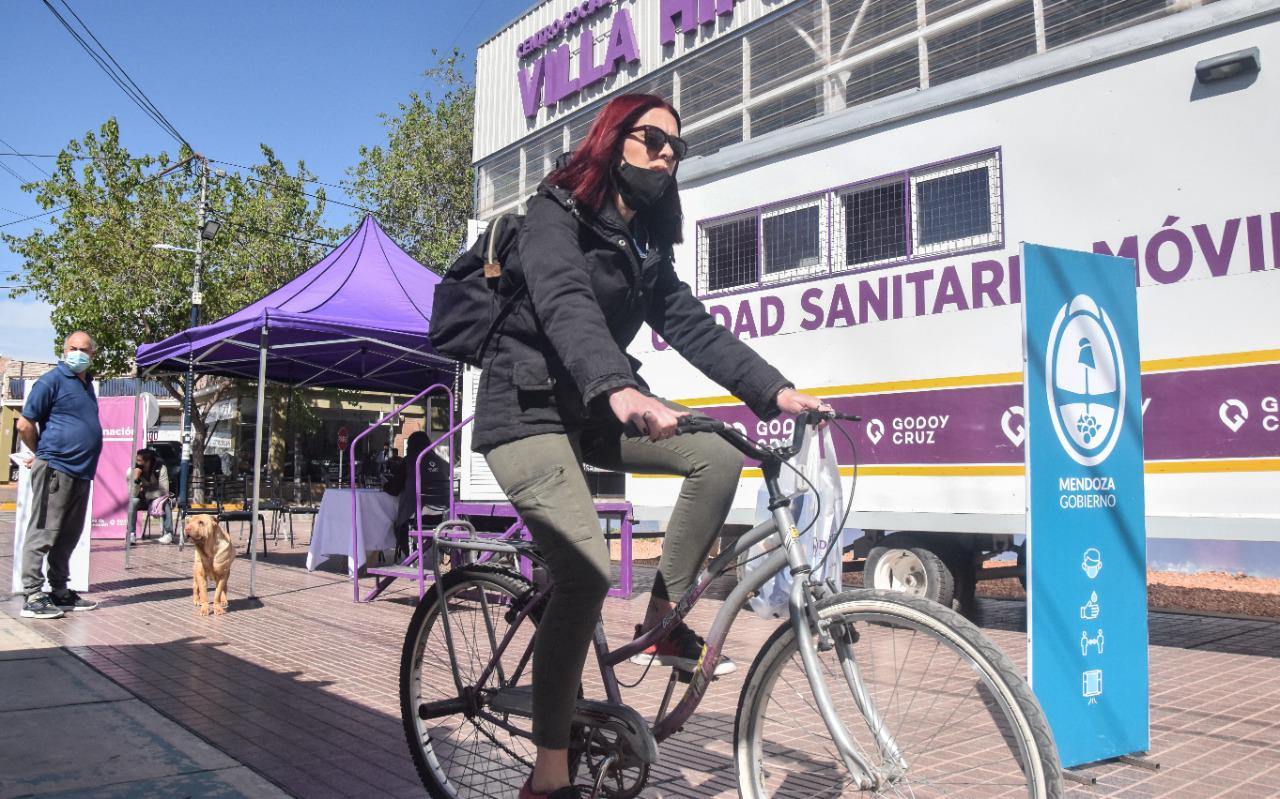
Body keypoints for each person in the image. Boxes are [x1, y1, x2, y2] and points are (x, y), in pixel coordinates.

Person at [473, 94, 830, 799]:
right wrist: (619, 386)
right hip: (526, 409)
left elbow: (694, 328)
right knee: (585, 569)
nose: (667, 155)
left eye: (676, 148)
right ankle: (547, 777)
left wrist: (776, 391)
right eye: (652, 140)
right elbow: (563, 300)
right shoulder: (555, 213)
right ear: (613, 139)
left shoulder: (643, 247)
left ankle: (663, 623)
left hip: (593, 408)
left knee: (717, 455)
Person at [16, 331, 104, 619]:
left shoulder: (87, 386)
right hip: (56, 468)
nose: (78, 353)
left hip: (81, 472)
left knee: (67, 536)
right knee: (44, 531)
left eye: (84, 349)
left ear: (92, 355)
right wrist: (42, 452)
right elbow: (24, 424)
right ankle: (32, 594)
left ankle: (59, 591)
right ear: (64, 351)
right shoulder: (51, 381)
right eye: (73, 348)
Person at [384, 431, 449, 560]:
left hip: (416, 516)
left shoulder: (409, 461)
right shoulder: (441, 462)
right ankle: (440, 554)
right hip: (442, 516)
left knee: (397, 525)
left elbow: (394, 489)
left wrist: (384, 484)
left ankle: (412, 558)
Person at [126, 448, 174, 544]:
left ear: (148, 462)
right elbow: (132, 494)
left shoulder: (161, 469)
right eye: (136, 460)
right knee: (133, 502)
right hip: (143, 499)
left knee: (166, 502)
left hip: (157, 499)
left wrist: (147, 491)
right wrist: (136, 480)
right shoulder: (131, 470)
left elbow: (164, 490)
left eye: (140, 461)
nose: (137, 463)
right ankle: (131, 534)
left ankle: (168, 534)